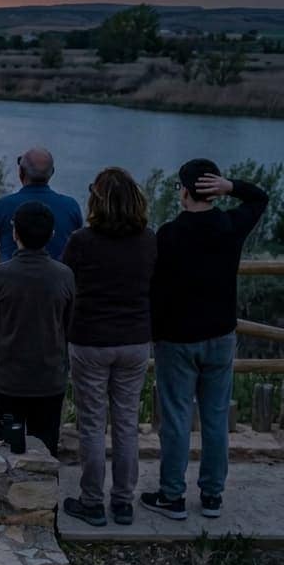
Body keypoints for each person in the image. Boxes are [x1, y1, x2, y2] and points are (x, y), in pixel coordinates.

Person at [142, 160, 268, 521]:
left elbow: (155, 287)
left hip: (177, 338)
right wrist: (232, 187)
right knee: (215, 419)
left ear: (183, 192)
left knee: (177, 418)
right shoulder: (230, 226)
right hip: (220, 334)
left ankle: (172, 495)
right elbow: (260, 198)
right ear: (214, 189)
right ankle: (212, 495)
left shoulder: (167, 234)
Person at [61, 168, 157, 527]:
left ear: (96, 200)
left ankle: (91, 501)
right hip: (134, 340)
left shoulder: (82, 241)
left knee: (91, 425)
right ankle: (122, 502)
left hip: (90, 339)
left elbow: (66, 284)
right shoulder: (149, 240)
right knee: (126, 423)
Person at [0, 201, 75, 456]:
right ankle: (47, 496)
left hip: (6, 380)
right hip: (49, 380)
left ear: (14, 233)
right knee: (46, 450)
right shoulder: (64, 275)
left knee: (4, 453)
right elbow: (69, 325)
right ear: (51, 234)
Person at [0, 147, 83, 272]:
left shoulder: (2, 206)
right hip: (56, 287)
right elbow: (79, 254)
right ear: (52, 173)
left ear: (21, 173)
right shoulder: (71, 207)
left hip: (11, 286)